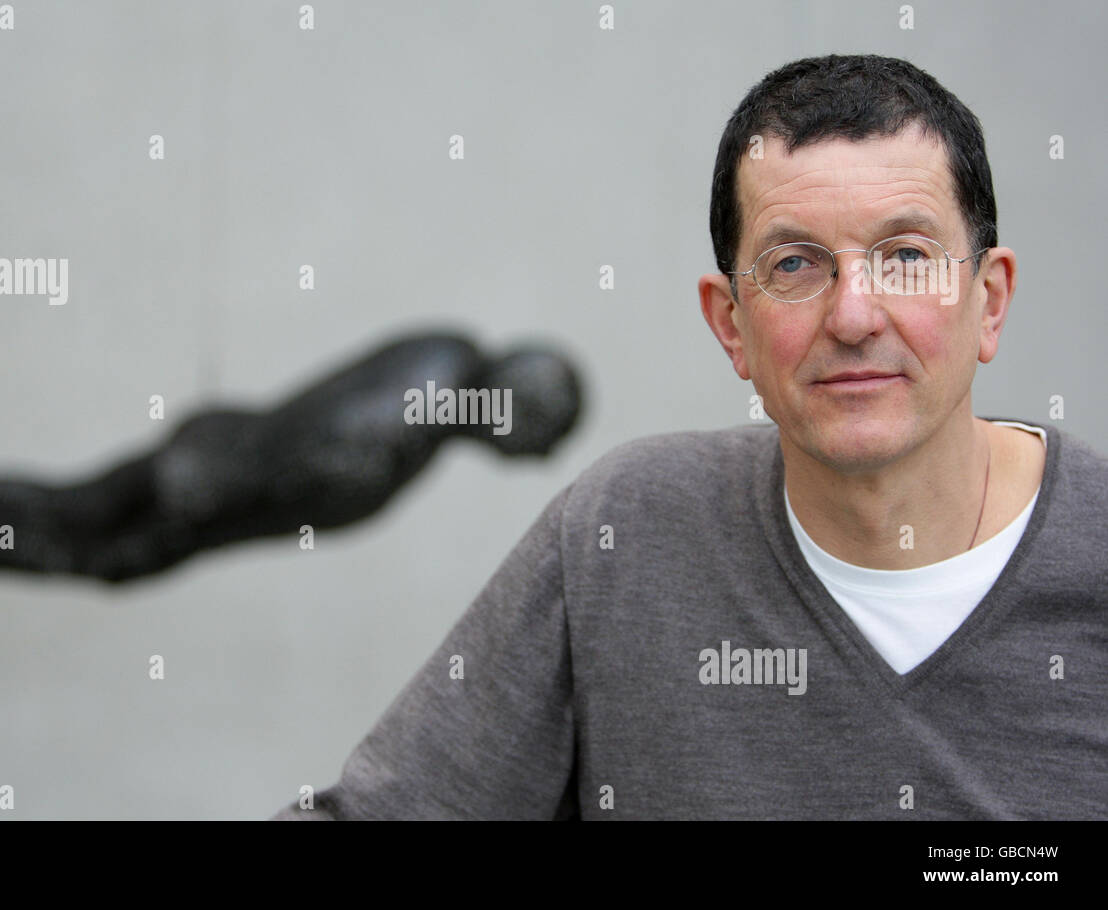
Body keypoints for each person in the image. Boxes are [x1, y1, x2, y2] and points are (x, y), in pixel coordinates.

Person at [270, 54, 1108, 820]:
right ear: (730, 325)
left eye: (906, 256)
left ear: (989, 301)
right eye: (794, 266)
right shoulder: (627, 533)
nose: (855, 315)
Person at [0, 331, 582, 627]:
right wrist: (191, 518)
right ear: (518, 398)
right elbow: (318, 458)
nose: (534, 458)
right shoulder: (440, 386)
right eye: (540, 436)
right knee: (65, 522)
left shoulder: (441, 392)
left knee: (69, 524)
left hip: (213, 487)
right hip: (207, 485)